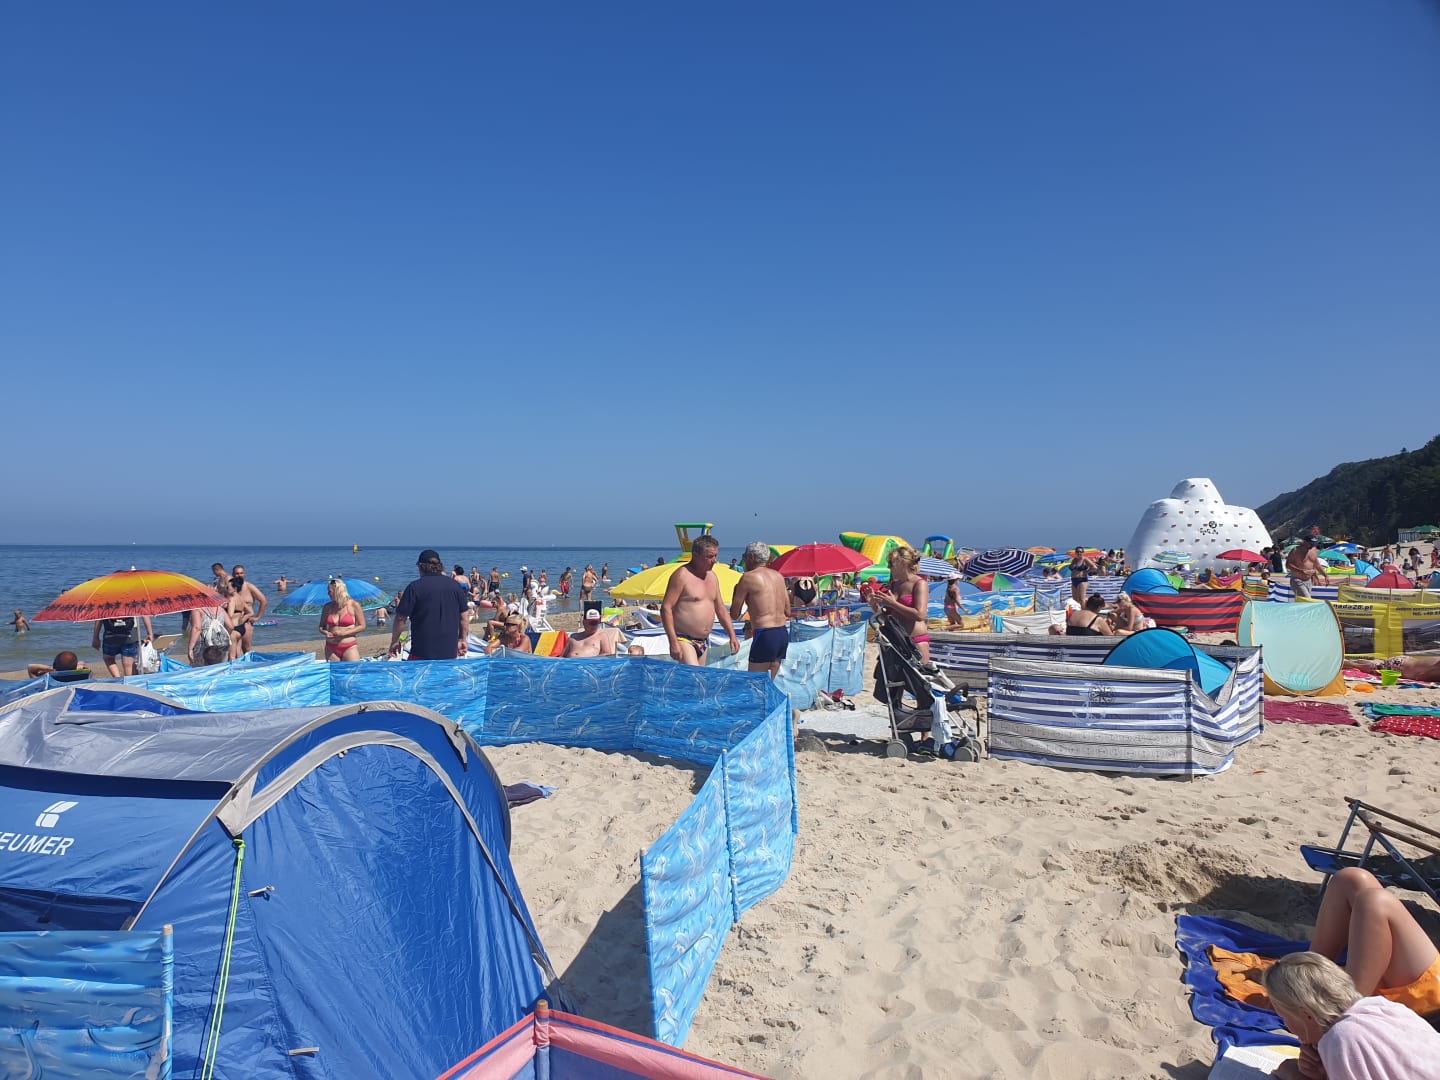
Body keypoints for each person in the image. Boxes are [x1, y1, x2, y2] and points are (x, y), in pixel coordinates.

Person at [1264, 951, 1440, 1079]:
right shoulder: (1386, 1008)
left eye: (1286, 1018)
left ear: (1307, 1016)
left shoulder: (1342, 1037)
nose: (1287, 1025)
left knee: (1290, 1070)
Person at [662, 534, 740, 666]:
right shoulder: (682, 575)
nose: (714, 560)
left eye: (715, 556)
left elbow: (720, 608)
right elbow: (666, 608)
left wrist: (732, 635)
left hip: (703, 641)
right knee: (694, 675)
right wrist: (673, 641)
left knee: (698, 677)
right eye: (709, 557)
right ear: (696, 555)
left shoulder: (712, 577)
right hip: (684, 639)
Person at [390, 549, 469, 660]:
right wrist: (462, 639)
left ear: (421, 567)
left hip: (422, 652)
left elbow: (400, 618)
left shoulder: (414, 587)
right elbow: (464, 617)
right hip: (449, 653)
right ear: (440, 566)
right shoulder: (455, 586)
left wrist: (395, 641)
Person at [729, 541, 791, 678]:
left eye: (744, 557)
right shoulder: (778, 576)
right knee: (768, 683)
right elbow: (788, 611)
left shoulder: (748, 578)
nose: (744, 560)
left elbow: (734, 614)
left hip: (765, 634)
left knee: (754, 682)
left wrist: (736, 591)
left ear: (751, 557)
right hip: (782, 633)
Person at [867, 545, 932, 663]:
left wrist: (894, 604)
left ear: (902, 564)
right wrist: (874, 606)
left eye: (891, 564)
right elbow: (887, 619)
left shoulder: (919, 584)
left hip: (915, 641)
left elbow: (920, 615)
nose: (889, 567)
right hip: (896, 640)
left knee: (917, 674)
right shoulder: (894, 584)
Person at [92, 611, 154, 676]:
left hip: (110, 634)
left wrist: (96, 637)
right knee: (128, 663)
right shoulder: (132, 603)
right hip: (129, 634)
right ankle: (127, 680)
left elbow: (99, 617)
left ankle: (117, 678)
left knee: (108, 658)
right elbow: (144, 614)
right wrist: (149, 633)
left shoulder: (105, 604)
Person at [319, 577, 365, 662]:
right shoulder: (327, 607)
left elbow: (362, 626)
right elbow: (321, 627)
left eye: (330, 591)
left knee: (352, 669)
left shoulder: (353, 605)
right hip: (331, 647)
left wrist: (344, 633)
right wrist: (326, 632)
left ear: (338, 591)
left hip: (349, 646)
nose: (328, 594)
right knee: (335, 670)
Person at [188, 584, 234, 667]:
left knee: (201, 669)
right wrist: (222, 636)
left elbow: (197, 628)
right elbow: (230, 626)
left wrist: (190, 648)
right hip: (220, 644)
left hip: (203, 645)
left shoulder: (197, 609)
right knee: (219, 668)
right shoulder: (220, 608)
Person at [564, 602, 630, 657]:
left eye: (596, 622)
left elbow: (607, 654)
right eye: (592, 623)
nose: (594, 625)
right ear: (584, 622)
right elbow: (562, 656)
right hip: (570, 665)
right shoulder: (573, 637)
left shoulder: (601, 636)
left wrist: (591, 659)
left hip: (589, 665)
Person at [230, 565, 268, 653]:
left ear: (244, 574)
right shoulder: (230, 588)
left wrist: (258, 617)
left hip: (246, 621)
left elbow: (263, 601)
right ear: (233, 574)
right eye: (237, 573)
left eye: (241, 573)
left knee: (246, 647)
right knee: (233, 649)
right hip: (233, 622)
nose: (239, 575)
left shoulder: (249, 587)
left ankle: (250, 661)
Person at [225, 577, 252, 659]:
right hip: (241, 628)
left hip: (233, 629)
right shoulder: (241, 598)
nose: (226, 589)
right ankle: (240, 666)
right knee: (238, 655)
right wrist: (242, 619)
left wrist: (222, 610)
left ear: (235, 588)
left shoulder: (232, 599)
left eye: (228, 587)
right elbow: (250, 612)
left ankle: (232, 668)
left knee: (231, 656)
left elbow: (230, 615)